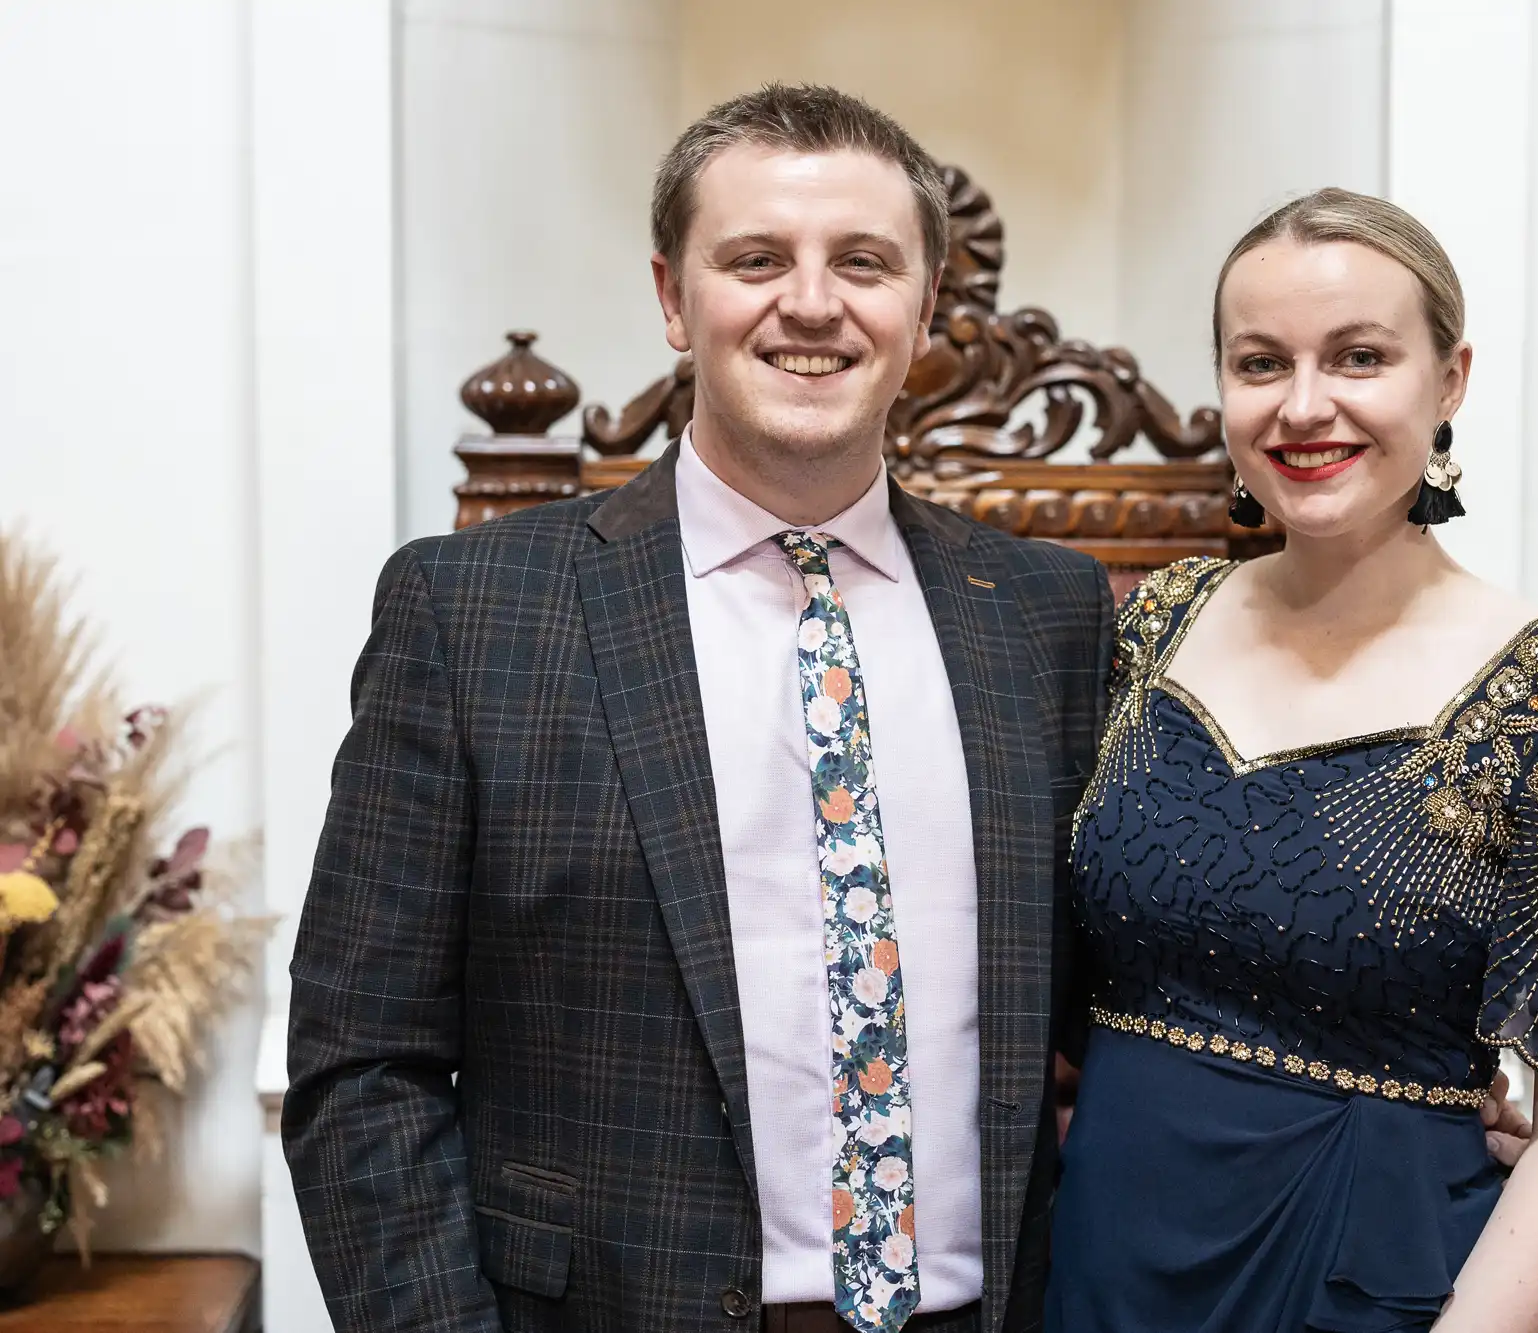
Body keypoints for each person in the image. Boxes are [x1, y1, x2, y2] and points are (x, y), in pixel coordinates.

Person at [283, 84, 1114, 1333]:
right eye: (756, 259)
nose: (814, 303)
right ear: (673, 297)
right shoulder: (471, 610)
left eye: (865, 264)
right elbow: (363, 1062)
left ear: (925, 308)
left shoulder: (1044, 613)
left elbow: (1123, 998)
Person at [1044, 189, 1538, 1333]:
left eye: (1357, 356)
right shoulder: (1150, 626)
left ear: (1448, 380)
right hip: (1103, 1250)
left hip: (1373, 1278)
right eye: (1258, 362)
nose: (1303, 406)